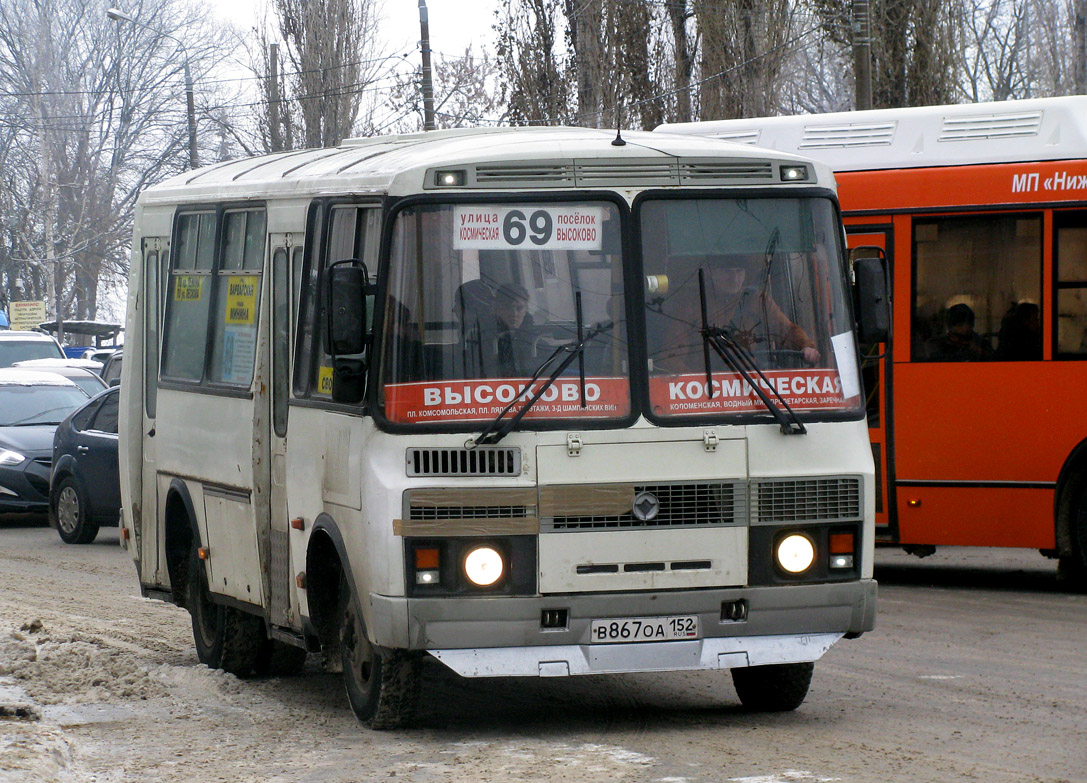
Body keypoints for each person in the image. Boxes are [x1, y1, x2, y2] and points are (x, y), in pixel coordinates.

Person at [653, 254, 820, 374]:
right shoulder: (692, 305)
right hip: (707, 389)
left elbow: (786, 330)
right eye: (727, 272)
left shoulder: (756, 299)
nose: (734, 279)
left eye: (739, 271)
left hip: (749, 384)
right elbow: (670, 356)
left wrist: (805, 346)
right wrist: (695, 382)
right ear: (712, 274)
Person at [924, 303, 994, 362]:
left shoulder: (981, 344)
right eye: (960, 325)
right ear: (951, 326)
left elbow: (995, 360)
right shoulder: (937, 345)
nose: (965, 328)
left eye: (969, 324)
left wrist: (976, 350)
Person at [493, 282, 534, 377]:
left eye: (519, 308)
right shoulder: (482, 340)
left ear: (526, 310)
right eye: (508, 307)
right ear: (498, 309)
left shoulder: (538, 343)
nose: (514, 314)